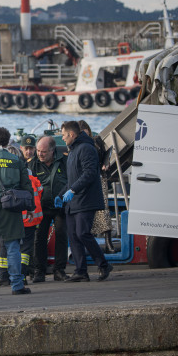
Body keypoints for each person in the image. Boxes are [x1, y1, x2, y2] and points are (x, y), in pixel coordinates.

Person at [56, 121, 113, 282]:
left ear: (72, 134)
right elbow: (71, 179)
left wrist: (73, 190)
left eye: (64, 135)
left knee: (82, 233)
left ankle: (103, 264)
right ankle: (81, 271)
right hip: (74, 202)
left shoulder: (86, 149)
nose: (63, 138)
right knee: (74, 236)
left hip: (86, 199)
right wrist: (61, 195)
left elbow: (89, 174)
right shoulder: (73, 150)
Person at [0, 127, 33, 296]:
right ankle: (17, 285)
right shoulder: (16, 160)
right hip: (11, 205)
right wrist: (30, 207)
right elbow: (26, 186)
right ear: (8, 141)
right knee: (13, 247)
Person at [0, 137, 41, 286]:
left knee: (5, 245)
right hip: (30, 218)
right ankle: (21, 276)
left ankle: (3, 276)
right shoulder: (31, 176)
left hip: (11, 217)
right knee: (25, 250)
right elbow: (39, 192)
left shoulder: (6, 176)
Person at [28, 136, 70, 282]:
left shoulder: (64, 161)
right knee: (39, 238)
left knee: (61, 236)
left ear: (53, 151)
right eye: (38, 151)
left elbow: (71, 181)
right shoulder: (32, 164)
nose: (40, 154)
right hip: (41, 207)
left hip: (60, 206)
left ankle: (59, 270)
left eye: (44, 152)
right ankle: (39, 270)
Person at [78, 120, 115, 253]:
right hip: (84, 181)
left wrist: (105, 165)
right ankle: (90, 243)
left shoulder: (97, 141)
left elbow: (106, 155)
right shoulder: (77, 146)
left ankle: (108, 241)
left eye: (87, 134)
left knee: (103, 210)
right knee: (87, 213)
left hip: (99, 178)